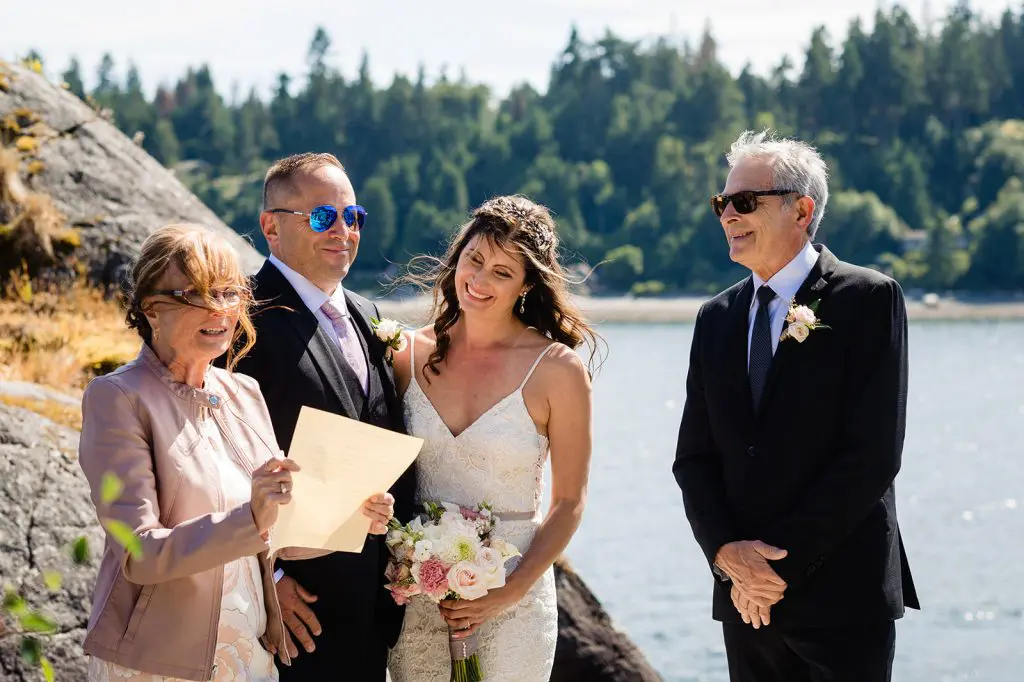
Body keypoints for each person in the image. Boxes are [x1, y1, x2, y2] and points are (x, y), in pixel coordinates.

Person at [672, 129, 919, 682]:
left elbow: (872, 455)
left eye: (743, 202)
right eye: (722, 203)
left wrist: (776, 564)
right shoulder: (715, 319)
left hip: (842, 597)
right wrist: (728, 554)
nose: (727, 215)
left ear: (802, 209)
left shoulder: (869, 299)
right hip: (745, 602)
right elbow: (694, 459)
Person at [386, 195, 596, 681]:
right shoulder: (405, 356)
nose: (479, 281)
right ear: (457, 257)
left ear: (526, 285)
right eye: (474, 260)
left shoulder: (557, 371)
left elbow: (569, 503)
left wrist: (511, 591)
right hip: (418, 600)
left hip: (513, 602)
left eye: (502, 272)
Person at [78, 223, 298, 681]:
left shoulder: (246, 392)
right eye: (196, 294)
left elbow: (273, 530)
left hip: (250, 655)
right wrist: (252, 518)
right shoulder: (118, 398)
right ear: (151, 309)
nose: (220, 309)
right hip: (160, 663)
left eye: (229, 292)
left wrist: (353, 515)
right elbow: (139, 552)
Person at [230, 152, 416, 681]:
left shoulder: (369, 315)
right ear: (271, 227)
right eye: (322, 217)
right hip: (293, 615)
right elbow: (211, 464)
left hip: (373, 612)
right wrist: (269, 577)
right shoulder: (239, 319)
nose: (343, 231)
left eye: (352, 217)